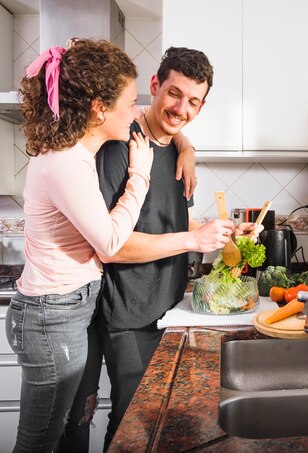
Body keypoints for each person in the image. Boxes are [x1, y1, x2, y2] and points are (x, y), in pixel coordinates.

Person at [60, 47, 260, 452]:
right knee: (131, 424)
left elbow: (173, 222)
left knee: (151, 423)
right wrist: (192, 240)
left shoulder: (177, 152)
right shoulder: (120, 147)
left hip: (166, 312)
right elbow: (112, 246)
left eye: (192, 101)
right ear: (154, 86)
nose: (180, 108)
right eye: (174, 93)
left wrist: (221, 231)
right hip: (127, 313)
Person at [4, 39, 154, 453]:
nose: (136, 112)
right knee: (38, 445)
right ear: (98, 107)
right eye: (128, 103)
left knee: (54, 436)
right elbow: (108, 242)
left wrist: (188, 148)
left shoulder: (76, 152)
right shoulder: (66, 161)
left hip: (60, 312)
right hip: (52, 318)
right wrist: (140, 175)